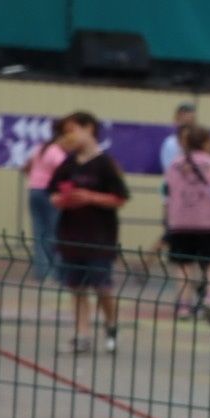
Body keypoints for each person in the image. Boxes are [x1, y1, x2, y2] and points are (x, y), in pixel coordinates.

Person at [48, 111, 129, 355]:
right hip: (72, 233)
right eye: (65, 132)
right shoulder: (68, 164)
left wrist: (90, 197)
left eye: (72, 130)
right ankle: (82, 334)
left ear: (89, 128)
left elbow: (120, 198)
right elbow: (52, 194)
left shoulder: (105, 164)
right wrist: (64, 200)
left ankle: (111, 324)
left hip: (100, 236)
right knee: (77, 288)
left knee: (102, 286)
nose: (68, 137)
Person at [163, 124, 210, 334]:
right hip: (208, 221)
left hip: (180, 220)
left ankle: (184, 305)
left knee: (183, 263)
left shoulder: (174, 164)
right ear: (206, 142)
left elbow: (167, 190)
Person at [21, 126, 67, 282]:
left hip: (34, 191)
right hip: (49, 193)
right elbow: (64, 171)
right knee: (55, 233)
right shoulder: (57, 151)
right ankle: (57, 272)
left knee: (39, 233)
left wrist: (36, 177)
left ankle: (42, 271)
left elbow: (26, 167)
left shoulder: (40, 148)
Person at [158, 102, 197, 174]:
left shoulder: (198, 142)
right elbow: (168, 168)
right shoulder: (170, 142)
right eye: (184, 115)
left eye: (191, 118)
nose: (188, 119)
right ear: (177, 118)